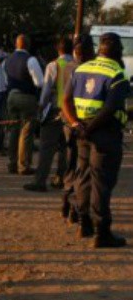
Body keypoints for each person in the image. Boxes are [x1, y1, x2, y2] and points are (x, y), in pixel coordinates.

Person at [62, 32, 130, 248]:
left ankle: (84, 224)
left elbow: (65, 100)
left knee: (83, 176)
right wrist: (89, 128)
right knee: (101, 181)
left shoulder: (81, 69)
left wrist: (75, 125)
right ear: (118, 50)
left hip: (82, 130)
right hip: (104, 133)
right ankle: (102, 232)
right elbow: (110, 109)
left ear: (100, 49)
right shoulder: (118, 74)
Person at [24, 37, 74, 192]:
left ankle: (40, 181)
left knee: (46, 148)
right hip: (72, 114)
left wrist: (41, 107)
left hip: (54, 111)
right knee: (66, 147)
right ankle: (61, 178)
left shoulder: (54, 66)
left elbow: (46, 91)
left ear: (58, 50)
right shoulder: (78, 65)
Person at [61, 34, 96, 224]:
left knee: (70, 163)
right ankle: (77, 206)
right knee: (83, 168)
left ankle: (66, 200)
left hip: (68, 121)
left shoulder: (67, 67)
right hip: (82, 123)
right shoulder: (87, 70)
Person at [3, 34, 44, 175]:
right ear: (27, 45)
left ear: (16, 44)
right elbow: (39, 82)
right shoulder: (30, 59)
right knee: (26, 131)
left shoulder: (7, 59)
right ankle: (23, 165)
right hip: (26, 96)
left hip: (11, 96)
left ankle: (12, 163)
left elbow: (5, 80)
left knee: (13, 130)